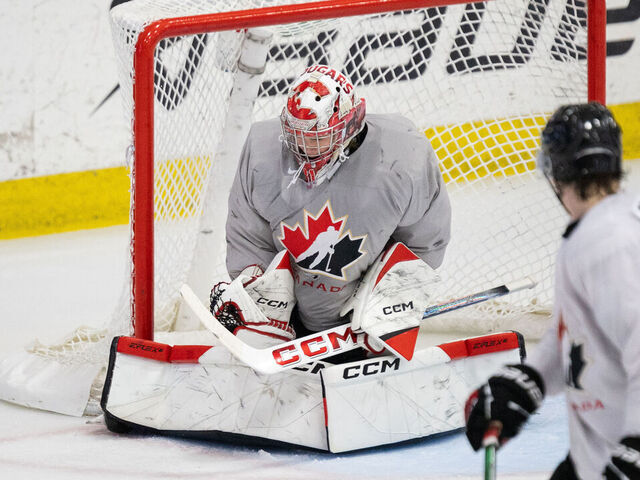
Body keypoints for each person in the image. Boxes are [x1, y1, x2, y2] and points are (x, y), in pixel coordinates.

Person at [211, 64, 451, 350]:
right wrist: (257, 297)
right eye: (297, 136)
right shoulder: (262, 152)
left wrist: (390, 303)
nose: (304, 149)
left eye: (317, 138)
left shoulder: (403, 157)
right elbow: (248, 235)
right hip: (287, 325)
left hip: (357, 325)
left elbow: (425, 240)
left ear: (349, 126)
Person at [464, 102, 640, 479]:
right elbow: (582, 341)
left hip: (620, 455)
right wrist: (529, 381)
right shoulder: (595, 231)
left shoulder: (608, 243)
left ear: (557, 169)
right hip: (597, 453)